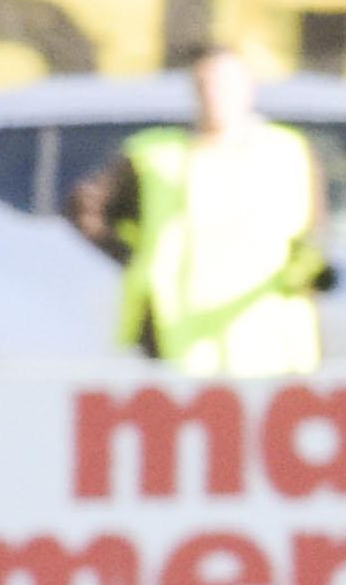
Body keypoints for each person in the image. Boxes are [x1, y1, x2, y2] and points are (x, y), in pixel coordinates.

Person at [112, 47, 330, 374]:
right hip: (178, 333)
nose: (215, 95)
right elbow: (91, 210)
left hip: (268, 337)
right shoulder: (156, 155)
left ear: (249, 88)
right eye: (206, 85)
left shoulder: (285, 151)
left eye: (225, 85)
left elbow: (312, 235)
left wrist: (310, 277)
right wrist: (134, 255)